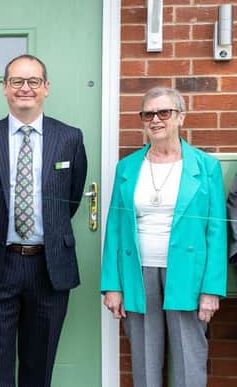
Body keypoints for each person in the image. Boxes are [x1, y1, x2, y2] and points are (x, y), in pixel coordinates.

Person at [0, 54, 88, 387]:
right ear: (5, 88)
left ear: (46, 88)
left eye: (33, 81)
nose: (26, 88)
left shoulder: (70, 138)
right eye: (17, 81)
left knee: (39, 369)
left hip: (49, 267)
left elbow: (71, 198)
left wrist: (48, 233)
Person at [101, 87, 226, 387]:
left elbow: (216, 230)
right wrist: (112, 285)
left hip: (188, 274)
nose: (155, 119)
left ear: (180, 117)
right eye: (148, 114)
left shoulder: (206, 167)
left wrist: (211, 290)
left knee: (189, 359)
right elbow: (115, 227)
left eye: (164, 112)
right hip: (137, 273)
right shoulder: (128, 167)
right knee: (144, 360)